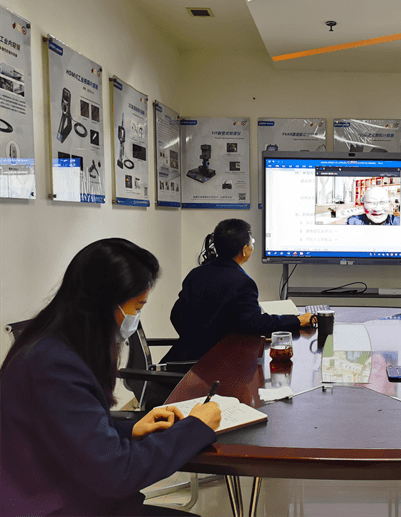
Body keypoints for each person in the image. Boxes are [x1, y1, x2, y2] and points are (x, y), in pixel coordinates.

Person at [0, 238, 222, 516]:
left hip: (65, 491)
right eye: (137, 307)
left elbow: (72, 434)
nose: (135, 318)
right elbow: (116, 473)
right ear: (105, 304)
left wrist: (131, 430)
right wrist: (195, 427)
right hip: (52, 505)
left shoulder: (54, 343)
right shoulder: (54, 365)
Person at [165, 219, 313, 362]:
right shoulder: (242, 283)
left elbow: (175, 315)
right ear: (244, 250)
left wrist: (195, 341)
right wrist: (297, 320)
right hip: (217, 365)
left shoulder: (195, 274)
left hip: (180, 360)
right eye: (252, 242)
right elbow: (255, 324)